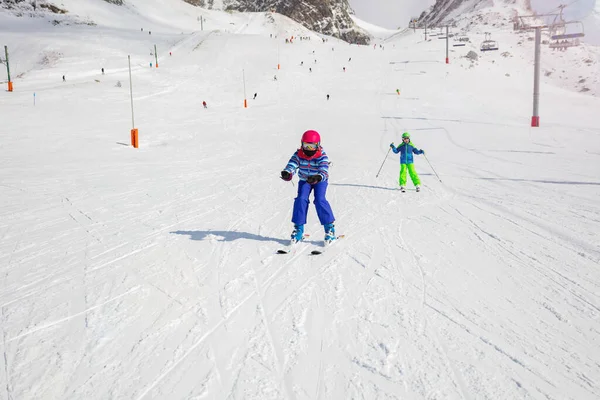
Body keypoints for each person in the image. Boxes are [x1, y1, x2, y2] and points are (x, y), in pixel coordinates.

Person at [281, 130, 336, 244]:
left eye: (312, 146)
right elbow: (293, 164)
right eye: (307, 146)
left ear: (318, 145)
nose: (309, 149)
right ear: (302, 144)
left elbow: (324, 169)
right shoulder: (299, 154)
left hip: (319, 181)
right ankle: (298, 229)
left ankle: (329, 228)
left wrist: (318, 177)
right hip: (305, 180)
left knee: (320, 200)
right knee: (301, 199)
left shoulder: (322, 155)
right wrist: (288, 172)